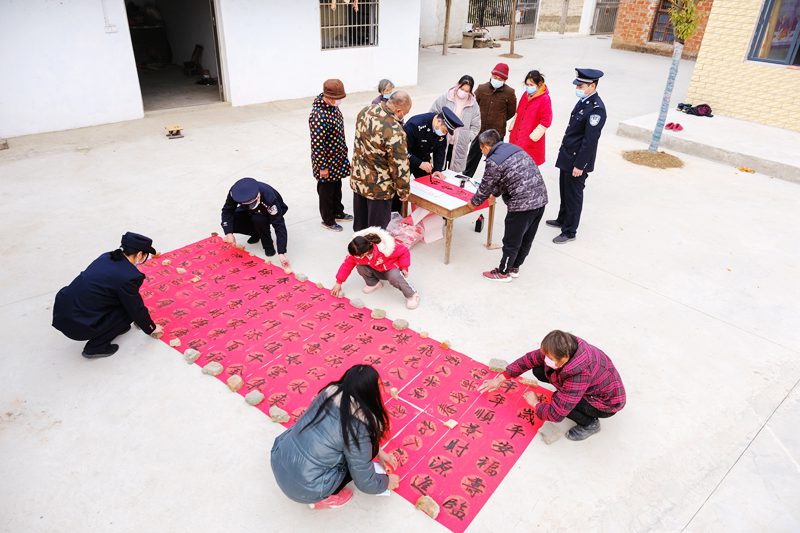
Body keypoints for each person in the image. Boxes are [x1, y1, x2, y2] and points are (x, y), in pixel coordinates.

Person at [270, 364, 400, 509]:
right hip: (306, 489)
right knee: (358, 459)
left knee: (358, 448)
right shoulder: (359, 426)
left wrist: (379, 452)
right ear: (370, 393)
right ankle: (324, 499)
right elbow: (364, 482)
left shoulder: (327, 394)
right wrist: (386, 482)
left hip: (279, 457)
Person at [478, 330, 626, 441]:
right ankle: (568, 394)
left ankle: (590, 424)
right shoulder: (563, 347)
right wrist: (502, 378)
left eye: (550, 358)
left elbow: (556, 414)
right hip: (592, 385)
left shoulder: (580, 375)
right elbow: (528, 360)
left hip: (604, 403)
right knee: (538, 369)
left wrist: (535, 404)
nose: (546, 359)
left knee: (558, 400)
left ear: (565, 358)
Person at [52, 232, 164, 358]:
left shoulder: (106, 257)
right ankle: (95, 347)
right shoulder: (129, 276)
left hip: (62, 312)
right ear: (139, 255)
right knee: (128, 310)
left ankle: (114, 328)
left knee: (118, 299)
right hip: (79, 325)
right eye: (145, 256)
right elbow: (135, 308)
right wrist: (151, 328)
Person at [469, 129, 548, 282]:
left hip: (522, 204)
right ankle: (515, 267)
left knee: (512, 240)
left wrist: (474, 203)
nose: (482, 152)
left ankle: (503, 272)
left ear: (485, 146)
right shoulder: (513, 149)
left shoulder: (494, 160)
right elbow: (506, 178)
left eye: (481, 149)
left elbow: (485, 186)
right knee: (526, 238)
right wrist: (495, 194)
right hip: (540, 199)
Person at [547, 68, 607, 244]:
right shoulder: (584, 101)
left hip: (577, 160)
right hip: (568, 155)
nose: (578, 88)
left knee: (574, 194)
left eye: (581, 85)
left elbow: (590, 141)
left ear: (592, 85)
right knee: (564, 190)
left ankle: (570, 230)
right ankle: (562, 219)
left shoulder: (597, 109)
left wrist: (580, 165)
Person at [350, 91, 412, 232]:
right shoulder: (395, 130)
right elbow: (399, 165)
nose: (404, 116)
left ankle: (358, 250)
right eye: (405, 113)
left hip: (359, 179)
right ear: (398, 110)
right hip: (379, 188)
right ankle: (374, 253)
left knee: (360, 226)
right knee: (376, 231)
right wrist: (403, 191)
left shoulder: (365, 111)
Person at [331, 227, 419, 309]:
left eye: (360, 255)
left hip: (390, 269)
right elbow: (346, 265)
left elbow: (404, 251)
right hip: (376, 269)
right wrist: (338, 282)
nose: (358, 257)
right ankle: (374, 284)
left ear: (366, 250)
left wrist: (404, 267)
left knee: (394, 277)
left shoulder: (385, 248)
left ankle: (412, 295)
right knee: (360, 266)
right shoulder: (356, 253)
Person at [309, 79, 353, 232]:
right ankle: (328, 219)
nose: (339, 101)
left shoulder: (332, 107)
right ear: (327, 96)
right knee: (326, 192)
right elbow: (317, 144)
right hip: (326, 161)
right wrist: (322, 167)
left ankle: (338, 212)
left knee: (336, 187)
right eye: (336, 98)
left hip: (337, 158)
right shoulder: (318, 115)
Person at [221, 177, 291, 269]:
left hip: (265, 210)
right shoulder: (235, 192)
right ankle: (256, 233)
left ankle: (268, 245)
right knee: (231, 222)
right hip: (246, 210)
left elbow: (279, 225)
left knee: (258, 219)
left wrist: (281, 252)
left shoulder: (269, 197)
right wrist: (229, 233)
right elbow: (227, 211)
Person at [463, 63, 517, 178]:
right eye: (495, 77)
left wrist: (500, 119)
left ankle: (491, 184)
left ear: (505, 80)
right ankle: (466, 177)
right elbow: (473, 105)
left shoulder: (509, 92)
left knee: (495, 163)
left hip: (496, 134)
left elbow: (511, 112)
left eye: (500, 79)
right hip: (480, 130)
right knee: (472, 158)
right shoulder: (482, 88)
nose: (497, 80)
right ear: (491, 75)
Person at [429, 75, 481, 173]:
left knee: (454, 173)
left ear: (470, 91)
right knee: (439, 168)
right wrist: (437, 130)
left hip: (460, 143)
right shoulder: (446, 97)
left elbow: (476, 125)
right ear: (458, 86)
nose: (463, 92)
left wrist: (468, 137)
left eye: (467, 91)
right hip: (443, 139)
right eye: (462, 89)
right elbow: (433, 113)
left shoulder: (473, 105)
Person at [403, 108, 464, 178]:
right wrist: (419, 163)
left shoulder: (441, 128)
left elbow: (440, 150)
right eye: (445, 131)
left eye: (446, 132)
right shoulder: (414, 125)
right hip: (406, 159)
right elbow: (403, 151)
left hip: (424, 159)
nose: (444, 133)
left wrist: (437, 170)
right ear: (439, 121)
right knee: (402, 185)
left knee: (426, 183)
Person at [508, 70, 552, 167]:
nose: (528, 87)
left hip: (531, 141)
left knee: (526, 168)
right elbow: (518, 112)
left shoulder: (544, 99)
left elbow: (546, 120)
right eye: (527, 84)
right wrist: (512, 126)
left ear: (539, 84)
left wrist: (533, 136)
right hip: (517, 136)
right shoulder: (525, 94)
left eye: (531, 85)